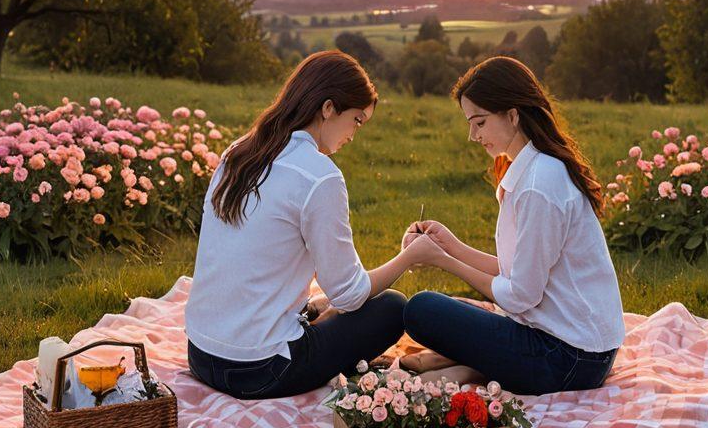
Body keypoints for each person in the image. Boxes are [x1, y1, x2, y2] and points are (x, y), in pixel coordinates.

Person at [185, 50, 431, 399]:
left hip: (201, 352)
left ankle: (303, 316)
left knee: (316, 298)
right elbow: (350, 294)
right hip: (260, 370)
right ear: (328, 108)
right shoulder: (319, 175)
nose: (354, 134)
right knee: (392, 307)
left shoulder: (239, 151)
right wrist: (408, 256)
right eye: (357, 120)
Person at [401, 56, 625, 396]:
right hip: (572, 346)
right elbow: (516, 274)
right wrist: (451, 245)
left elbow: (520, 295)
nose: (472, 136)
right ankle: (472, 365)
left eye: (479, 123)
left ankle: (472, 366)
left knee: (422, 309)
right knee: (451, 307)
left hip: (570, 359)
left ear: (512, 115)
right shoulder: (535, 168)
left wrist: (442, 261)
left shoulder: (539, 185)